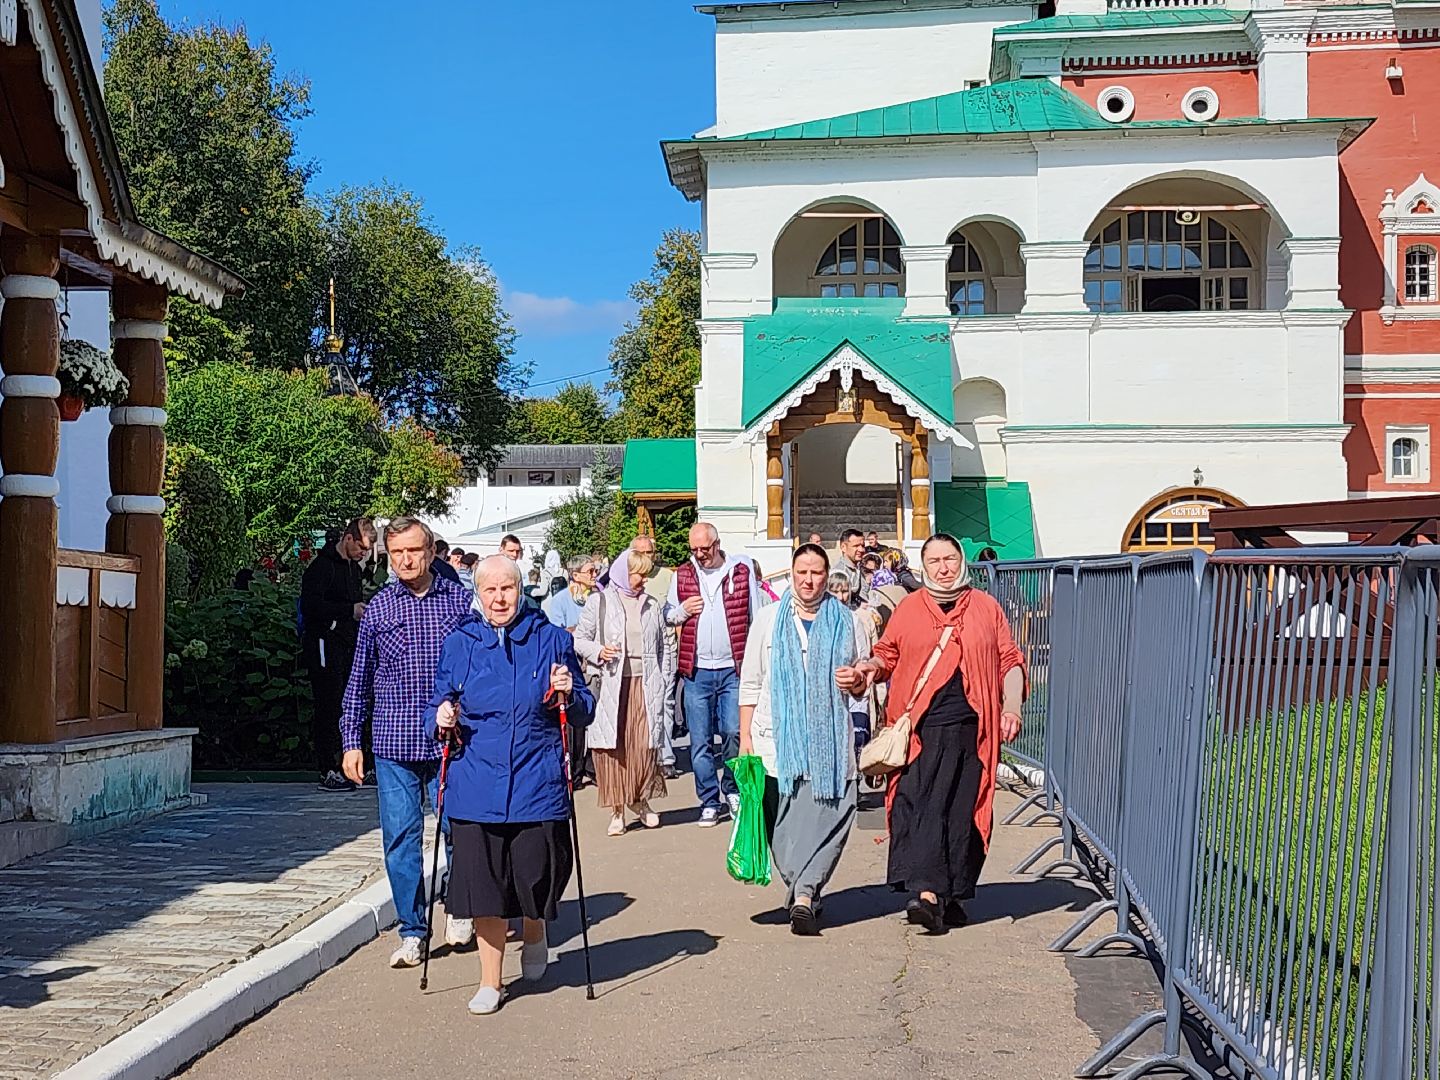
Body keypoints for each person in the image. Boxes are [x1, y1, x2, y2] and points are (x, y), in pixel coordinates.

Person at [428, 555, 593, 1015]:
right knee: (485, 889)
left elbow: (583, 708)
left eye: (507, 589)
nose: (499, 598)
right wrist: (440, 717)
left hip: (535, 782)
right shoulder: (460, 642)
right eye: (490, 590)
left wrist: (567, 691)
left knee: (535, 878)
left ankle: (535, 930)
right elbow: (438, 703)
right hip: (476, 783)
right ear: (477, 595)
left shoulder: (552, 640)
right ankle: (490, 981)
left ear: (522, 590)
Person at [840, 533, 1026, 933]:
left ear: (961, 561)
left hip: (972, 730)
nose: (944, 568)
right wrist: (867, 671)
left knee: (963, 812)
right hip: (920, 729)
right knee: (919, 805)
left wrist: (1011, 706)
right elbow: (887, 654)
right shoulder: (910, 608)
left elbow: (1009, 658)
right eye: (935, 560)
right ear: (924, 566)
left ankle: (954, 892)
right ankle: (925, 893)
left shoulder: (986, 608)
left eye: (950, 559)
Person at [339, 517, 473, 968]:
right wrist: (350, 740)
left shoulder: (459, 603)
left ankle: (459, 905)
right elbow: (359, 679)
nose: (405, 560)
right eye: (396, 553)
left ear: (431, 551)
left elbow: (479, 669)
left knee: (459, 828)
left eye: (413, 551)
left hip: (450, 740)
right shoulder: (379, 608)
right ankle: (413, 930)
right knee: (401, 838)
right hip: (393, 741)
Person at [740, 544, 868, 934]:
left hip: (829, 740)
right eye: (802, 573)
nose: (809, 581)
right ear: (791, 575)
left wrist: (858, 679)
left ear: (828, 575)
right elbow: (750, 682)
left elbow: (865, 680)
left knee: (836, 812)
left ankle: (805, 894)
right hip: (776, 737)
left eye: (816, 573)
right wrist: (744, 738)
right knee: (778, 821)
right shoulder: (766, 619)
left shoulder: (848, 621)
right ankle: (800, 884)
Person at [668, 522, 764, 827]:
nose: (699, 555)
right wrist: (682, 610)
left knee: (735, 731)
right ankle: (708, 800)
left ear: (717, 543)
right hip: (697, 671)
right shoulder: (682, 574)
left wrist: (758, 659)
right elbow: (667, 614)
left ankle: (732, 789)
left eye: (705, 549)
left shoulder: (740, 570)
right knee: (700, 740)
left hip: (733, 668)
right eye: (694, 549)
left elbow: (757, 613)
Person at [573, 548, 669, 836]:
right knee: (613, 748)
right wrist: (599, 652)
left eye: (645, 574)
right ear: (622, 573)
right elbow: (579, 640)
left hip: (645, 682)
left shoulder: (652, 604)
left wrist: (664, 678)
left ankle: (640, 800)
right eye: (638, 573)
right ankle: (617, 809)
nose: (643, 580)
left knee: (643, 744)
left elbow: (664, 646)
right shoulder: (599, 601)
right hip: (613, 683)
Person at [301, 518, 376, 792]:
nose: (363, 554)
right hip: (324, 642)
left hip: (347, 643)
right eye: (361, 547)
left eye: (367, 550)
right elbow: (311, 606)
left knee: (351, 703)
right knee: (329, 704)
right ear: (347, 539)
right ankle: (328, 768)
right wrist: (348, 611)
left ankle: (354, 764)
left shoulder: (352, 570)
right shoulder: (321, 568)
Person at [544, 557, 597, 631]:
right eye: (590, 572)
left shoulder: (597, 597)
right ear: (576, 576)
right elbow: (558, 633)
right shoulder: (559, 600)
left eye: (596, 571)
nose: (595, 575)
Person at [836, 529, 868, 603]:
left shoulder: (857, 568)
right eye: (856, 546)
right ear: (843, 547)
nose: (861, 550)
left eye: (862, 546)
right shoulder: (839, 573)